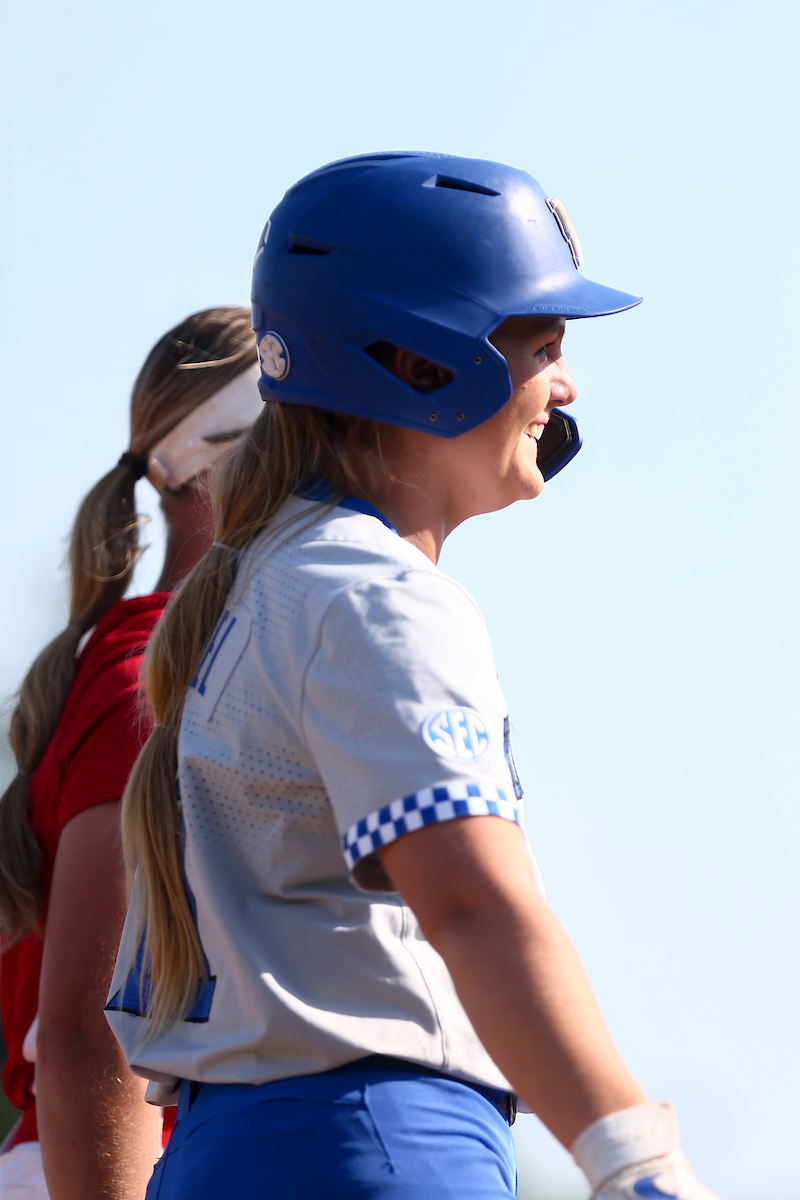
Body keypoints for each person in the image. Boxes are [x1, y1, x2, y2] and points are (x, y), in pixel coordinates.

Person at [108, 153, 719, 1200]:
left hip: (233, 1154)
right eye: (540, 345)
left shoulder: (264, 582)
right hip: (375, 1142)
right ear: (417, 362)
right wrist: (633, 1161)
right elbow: (472, 904)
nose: (563, 386)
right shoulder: (371, 589)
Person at [0, 306, 262, 1200]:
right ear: (250, 452)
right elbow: (93, 1028)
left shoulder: (177, 661)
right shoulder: (153, 679)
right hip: (104, 1171)